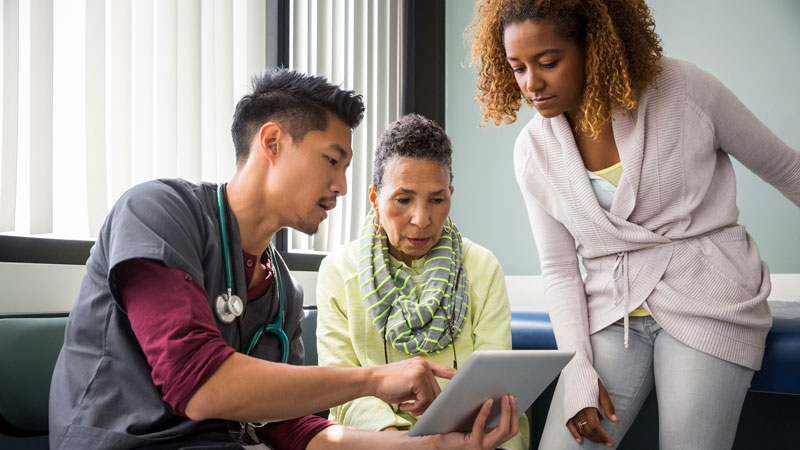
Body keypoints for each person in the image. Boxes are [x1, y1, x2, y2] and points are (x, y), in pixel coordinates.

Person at [48, 69, 519, 450]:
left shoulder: (282, 291)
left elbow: (290, 427)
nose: (343, 186)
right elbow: (198, 384)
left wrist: (425, 448)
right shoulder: (157, 212)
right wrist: (374, 379)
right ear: (272, 142)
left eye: (347, 167)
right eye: (332, 160)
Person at [467, 0, 800, 449]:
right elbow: (561, 270)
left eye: (548, 62)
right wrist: (578, 368)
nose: (532, 83)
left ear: (594, 45)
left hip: (709, 296)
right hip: (612, 312)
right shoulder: (532, 151)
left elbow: (787, 170)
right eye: (517, 67)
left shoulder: (684, 89)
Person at [315, 113, 529, 450]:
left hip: (475, 436)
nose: (422, 219)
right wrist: (401, 443)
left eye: (437, 200)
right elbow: (342, 392)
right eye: (403, 200)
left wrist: (456, 439)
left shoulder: (481, 266)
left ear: (450, 195)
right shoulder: (339, 272)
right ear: (375, 198)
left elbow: (492, 383)